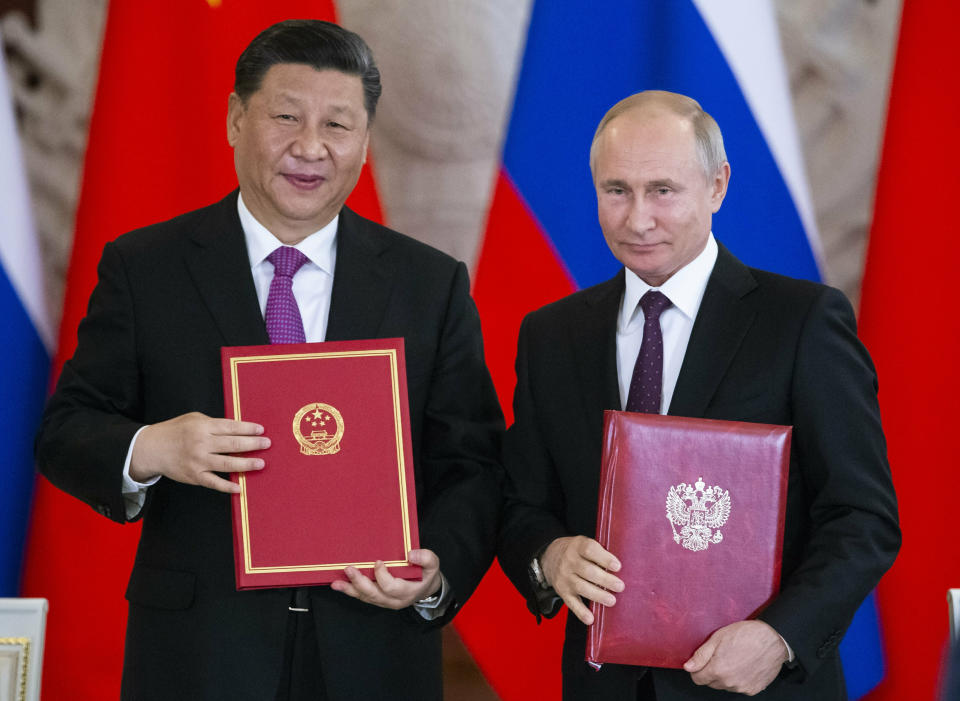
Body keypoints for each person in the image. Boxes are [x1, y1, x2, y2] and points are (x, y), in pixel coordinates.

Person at [35, 20, 503, 701]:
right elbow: (65, 430)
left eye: (338, 125)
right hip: (198, 652)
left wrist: (434, 568)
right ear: (234, 119)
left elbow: (474, 461)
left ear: (365, 142)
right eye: (286, 116)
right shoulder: (146, 268)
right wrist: (154, 446)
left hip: (372, 653)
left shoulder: (428, 285)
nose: (310, 147)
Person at [497, 90, 900, 700]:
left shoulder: (802, 321)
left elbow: (861, 517)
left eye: (663, 190)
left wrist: (779, 637)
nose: (637, 218)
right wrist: (547, 555)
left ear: (717, 186)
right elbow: (519, 501)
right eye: (616, 191)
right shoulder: (553, 334)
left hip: (759, 684)